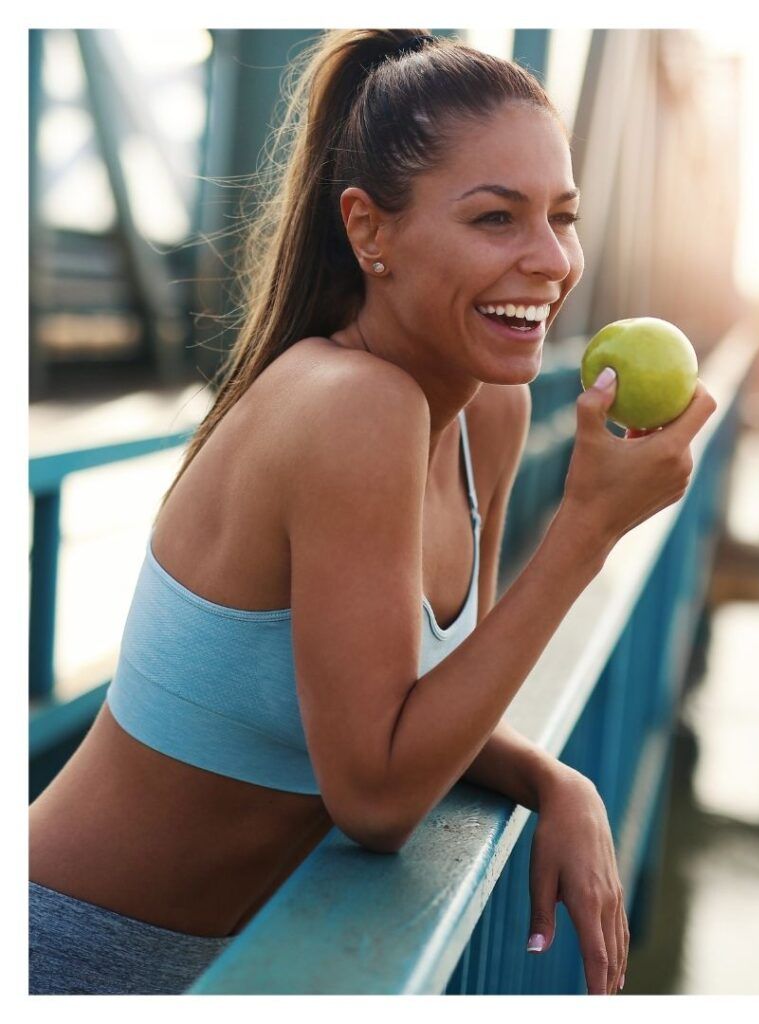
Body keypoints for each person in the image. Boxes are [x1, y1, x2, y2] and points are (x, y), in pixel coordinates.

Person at [28, 29, 717, 995]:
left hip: (234, 967)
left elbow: (429, 705)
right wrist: (588, 530)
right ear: (368, 231)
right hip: (76, 954)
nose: (551, 260)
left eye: (562, 217)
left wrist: (553, 779)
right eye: (495, 219)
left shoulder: (490, 409)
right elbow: (380, 796)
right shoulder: (353, 405)